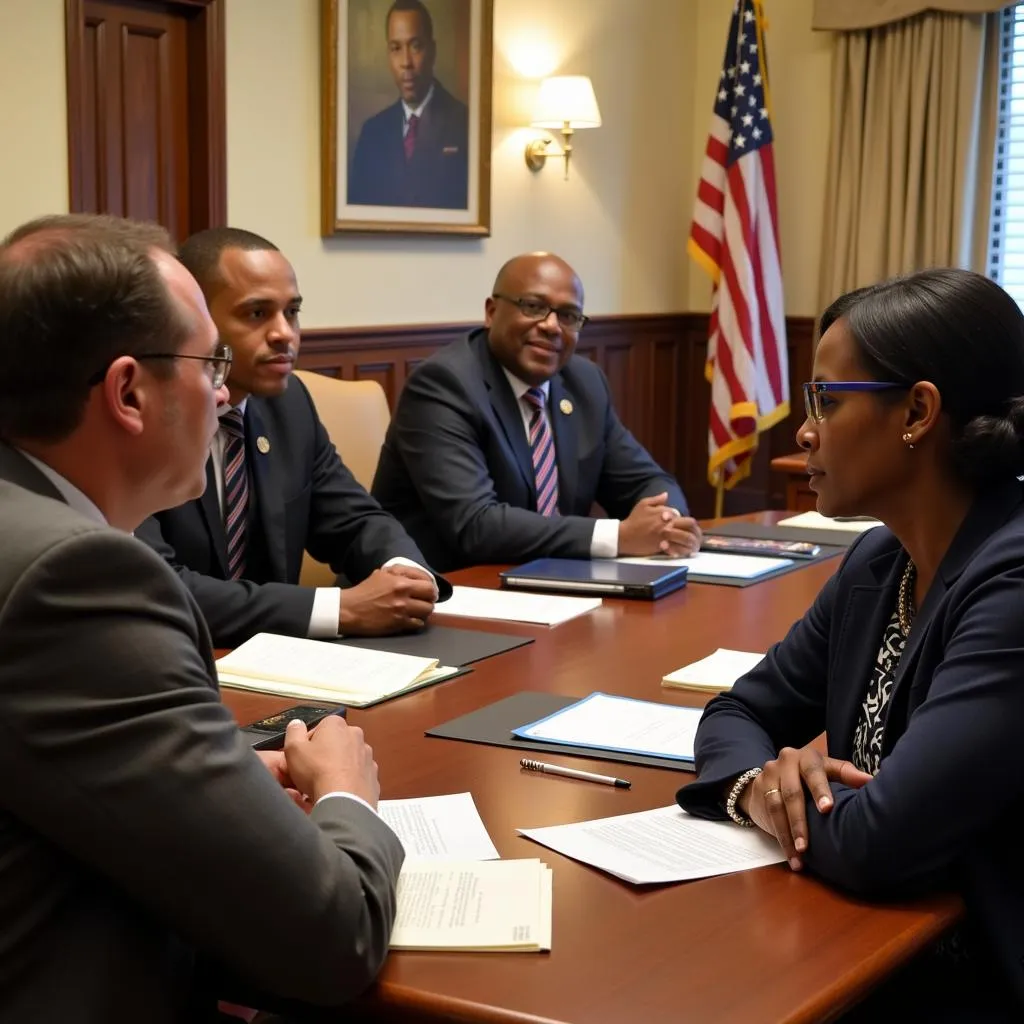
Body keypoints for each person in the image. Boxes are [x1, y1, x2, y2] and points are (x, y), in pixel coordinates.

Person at [0, 214, 403, 1022]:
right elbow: (333, 935)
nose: (224, 393)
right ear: (127, 392)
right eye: (210, 361)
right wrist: (348, 796)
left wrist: (210, 784)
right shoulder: (80, 580)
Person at [677, 268, 1024, 1019]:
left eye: (827, 402)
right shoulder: (880, 559)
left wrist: (789, 797)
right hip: (874, 942)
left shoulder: (1014, 582)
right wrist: (762, 784)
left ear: (918, 412)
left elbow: (881, 842)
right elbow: (737, 712)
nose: (804, 430)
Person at [136, 226, 450, 649]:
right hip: (173, 657)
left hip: (283, 665)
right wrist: (341, 609)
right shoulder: (145, 413)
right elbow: (160, 586)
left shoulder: (289, 404)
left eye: (292, 312)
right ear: (195, 319)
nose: (284, 333)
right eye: (256, 313)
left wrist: (403, 572)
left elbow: (354, 520)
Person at [371, 251, 702, 572]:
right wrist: (618, 537)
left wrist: (666, 523)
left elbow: (647, 480)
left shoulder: (584, 383)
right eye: (533, 307)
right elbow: (475, 525)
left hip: (550, 585)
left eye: (569, 316)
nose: (552, 326)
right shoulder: (444, 385)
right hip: (439, 591)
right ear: (491, 312)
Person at [348, 0, 469, 209]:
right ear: (388, 55)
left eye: (415, 46)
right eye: (396, 48)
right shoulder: (372, 133)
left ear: (432, 51)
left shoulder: (465, 125)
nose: (406, 62)